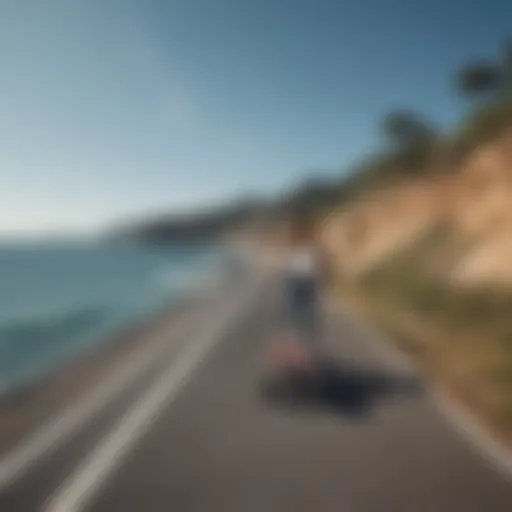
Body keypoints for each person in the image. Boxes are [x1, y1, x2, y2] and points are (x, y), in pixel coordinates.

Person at [281, 212, 326, 354]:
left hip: (303, 279)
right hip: (299, 279)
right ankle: (304, 341)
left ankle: (305, 341)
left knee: (302, 312)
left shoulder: (310, 243)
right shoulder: (302, 242)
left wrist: (319, 277)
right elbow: (290, 261)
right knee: (300, 312)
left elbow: (319, 262)